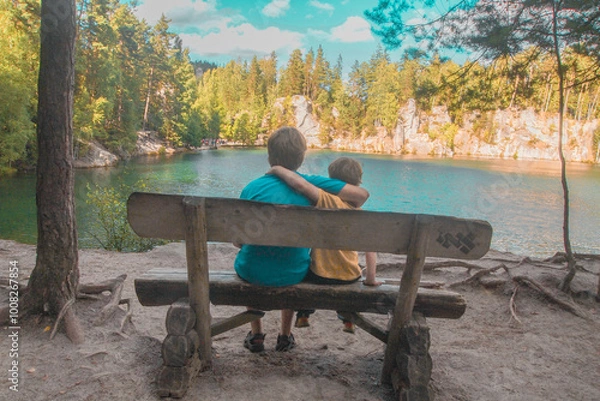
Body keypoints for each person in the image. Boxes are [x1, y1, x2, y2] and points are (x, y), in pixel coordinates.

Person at [234, 127, 369, 353]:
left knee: (251, 259)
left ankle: (256, 334)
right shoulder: (312, 183)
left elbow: (238, 241)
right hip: (292, 274)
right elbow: (362, 195)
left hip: (252, 272)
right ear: (302, 157)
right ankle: (285, 336)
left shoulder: (251, 188)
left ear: (269, 156)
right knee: (294, 264)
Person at [268, 157, 381, 334]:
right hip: (349, 276)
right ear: (357, 181)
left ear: (331, 180)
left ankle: (304, 313)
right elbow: (370, 250)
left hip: (319, 274)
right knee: (349, 274)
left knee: (306, 272)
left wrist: (277, 169)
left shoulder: (326, 201)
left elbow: (302, 186)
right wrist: (370, 279)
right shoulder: (361, 215)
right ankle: (348, 318)